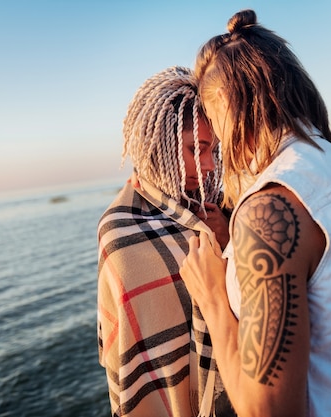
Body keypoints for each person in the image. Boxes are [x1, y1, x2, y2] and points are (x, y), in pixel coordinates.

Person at [180, 9, 331, 416]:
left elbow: (266, 410)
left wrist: (213, 295)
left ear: (227, 108)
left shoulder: (269, 209)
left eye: (214, 126)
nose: (217, 150)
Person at [97, 66, 235, 417]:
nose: (207, 165)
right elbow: (126, 349)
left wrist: (228, 241)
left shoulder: (223, 205)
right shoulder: (120, 231)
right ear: (160, 145)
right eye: (196, 149)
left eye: (213, 152)